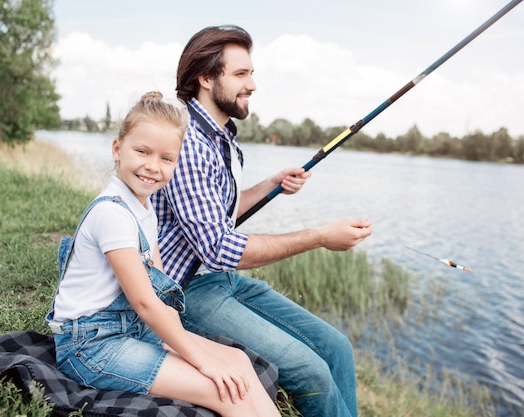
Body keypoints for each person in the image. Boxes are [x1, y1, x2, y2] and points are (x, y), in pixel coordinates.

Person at [151, 26, 373, 417]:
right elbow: (219, 248)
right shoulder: (186, 141)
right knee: (312, 372)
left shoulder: (219, 137)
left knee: (337, 346)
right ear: (206, 78)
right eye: (241, 74)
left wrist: (268, 186)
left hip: (218, 279)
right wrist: (319, 236)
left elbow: (213, 213)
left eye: (251, 74)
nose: (252, 84)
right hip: (185, 291)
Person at [46, 91, 281, 417]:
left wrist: (192, 347)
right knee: (225, 390)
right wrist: (203, 362)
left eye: (166, 158)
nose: (152, 167)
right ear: (117, 148)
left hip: (131, 331)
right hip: (91, 347)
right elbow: (145, 303)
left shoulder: (145, 208)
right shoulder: (112, 214)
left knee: (238, 362)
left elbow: (160, 291)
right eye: (142, 151)